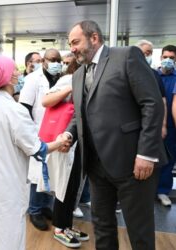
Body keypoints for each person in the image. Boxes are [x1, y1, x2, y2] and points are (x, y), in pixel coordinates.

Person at [62, 20, 167, 250]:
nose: (72, 48)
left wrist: (146, 154)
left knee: (139, 231)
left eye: (76, 42)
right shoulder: (78, 75)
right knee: (102, 226)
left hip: (133, 163)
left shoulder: (127, 56)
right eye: (70, 44)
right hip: (97, 167)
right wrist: (69, 136)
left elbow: (152, 105)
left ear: (94, 38)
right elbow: (80, 115)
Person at [0, 49, 63, 250]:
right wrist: (60, 141)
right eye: (15, 70)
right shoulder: (15, 111)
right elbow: (38, 149)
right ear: (8, 77)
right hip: (8, 185)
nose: (18, 73)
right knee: (8, 234)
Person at [41, 59, 89, 248]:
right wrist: (71, 89)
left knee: (74, 185)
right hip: (65, 141)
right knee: (65, 185)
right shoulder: (68, 79)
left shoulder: (90, 79)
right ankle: (59, 227)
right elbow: (46, 100)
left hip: (81, 143)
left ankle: (67, 224)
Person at [19, 48, 62, 231]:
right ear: (44, 61)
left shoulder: (61, 78)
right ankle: (35, 210)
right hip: (38, 131)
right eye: (52, 59)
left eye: (58, 59)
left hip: (55, 131)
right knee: (37, 173)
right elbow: (25, 108)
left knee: (51, 172)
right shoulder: (32, 79)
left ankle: (46, 207)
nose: (56, 63)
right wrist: (30, 133)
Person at [157, 45, 176, 207]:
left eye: (172, 58)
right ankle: (146, 191)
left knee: (168, 160)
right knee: (149, 158)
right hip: (152, 125)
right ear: (161, 57)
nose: (168, 60)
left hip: (171, 126)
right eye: (165, 57)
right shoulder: (152, 75)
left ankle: (162, 191)